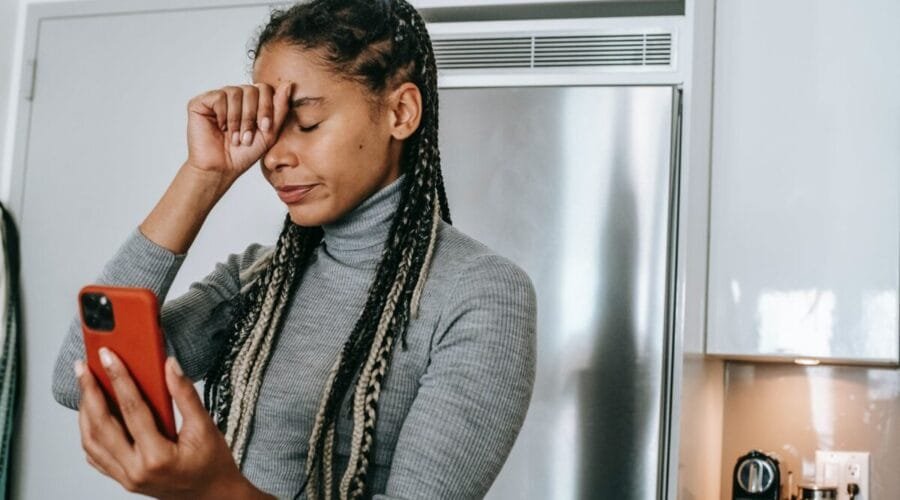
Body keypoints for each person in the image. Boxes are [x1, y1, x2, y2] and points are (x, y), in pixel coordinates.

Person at [50, 0, 537, 498]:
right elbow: (81, 375)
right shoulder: (258, 277)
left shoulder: (479, 293)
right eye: (271, 130)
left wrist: (217, 492)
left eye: (306, 124)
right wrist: (203, 175)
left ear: (400, 111)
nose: (276, 157)